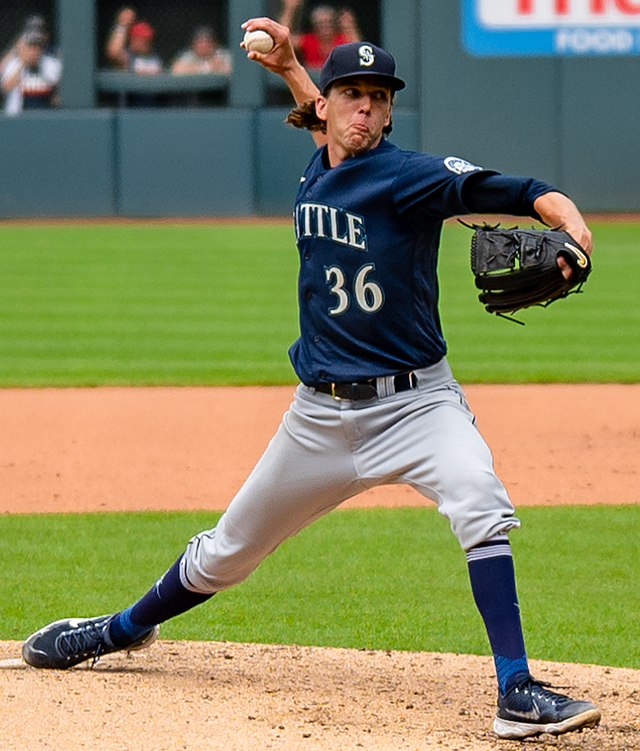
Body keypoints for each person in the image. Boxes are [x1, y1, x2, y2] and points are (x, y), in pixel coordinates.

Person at [21, 17, 602, 742]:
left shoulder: (411, 177)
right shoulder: (319, 159)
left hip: (418, 404)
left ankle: (516, 688)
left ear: (390, 111)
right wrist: (295, 67)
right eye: (351, 94)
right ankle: (118, 629)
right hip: (319, 419)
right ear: (325, 107)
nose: (365, 107)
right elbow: (326, 131)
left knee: (481, 499)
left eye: (377, 97)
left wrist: (572, 228)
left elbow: (523, 189)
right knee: (225, 551)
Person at [279, 0, 361, 68]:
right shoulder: (309, 40)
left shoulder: (343, 40)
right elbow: (282, 40)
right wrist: (290, 10)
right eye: (320, 24)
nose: (325, 27)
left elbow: (359, 53)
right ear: (314, 26)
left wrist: (350, 27)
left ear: (335, 24)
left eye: (329, 22)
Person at [1, 28, 62, 116]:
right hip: (18, 117)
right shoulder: (13, 64)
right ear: (23, 48)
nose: (34, 51)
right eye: (31, 47)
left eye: (38, 47)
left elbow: (60, 90)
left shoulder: (51, 64)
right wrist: (23, 64)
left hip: (46, 116)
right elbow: (5, 88)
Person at [105, 7, 163, 76]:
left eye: (148, 39)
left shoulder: (155, 58)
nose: (146, 43)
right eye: (142, 39)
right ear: (133, 41)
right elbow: (113, 52)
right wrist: (122, 25)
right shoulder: (128, 56)